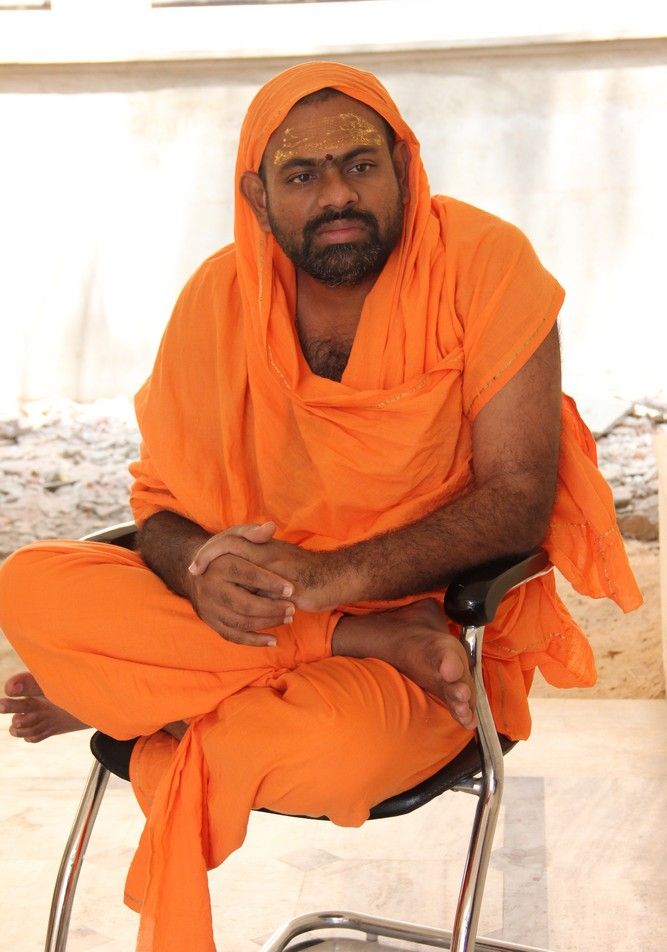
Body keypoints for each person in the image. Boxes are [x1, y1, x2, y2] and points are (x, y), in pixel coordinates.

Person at [0, 62, 641, 952]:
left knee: (308, 749)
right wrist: (197, 569)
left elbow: (517, 502)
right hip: (278, 625)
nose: (336, 193)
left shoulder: (485, 266)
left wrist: (333, 577)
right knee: (28, 582)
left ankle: (141, 696)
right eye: (301, 174)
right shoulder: (218, 297)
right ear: (258, 199)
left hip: (430, 654)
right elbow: (162, 514)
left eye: (359, 165)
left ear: (403, 168)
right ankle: (313, 648)